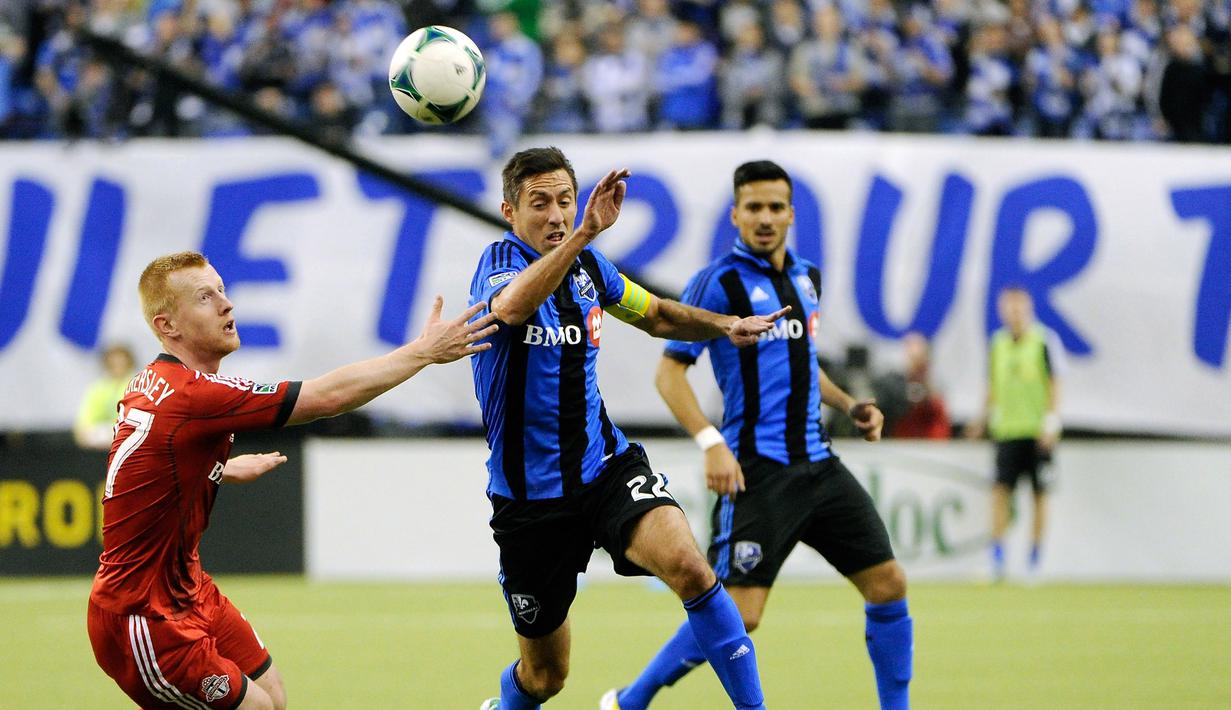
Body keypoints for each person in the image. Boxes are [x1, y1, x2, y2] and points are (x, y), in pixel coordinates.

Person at [87, 251, 497, 710]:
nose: (227, 305)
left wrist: (215, 468)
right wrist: (423, 351)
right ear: (168, 326)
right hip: (142, 614)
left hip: (188, 589)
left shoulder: (153, 383)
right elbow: (327, 396)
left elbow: (138, 457)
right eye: (205, 297)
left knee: (273, 696)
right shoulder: (194, 395)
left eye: (222, 290)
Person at [470, 147, 786, 710]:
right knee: (545, 677)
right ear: (509, 211)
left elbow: (658, 314)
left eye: (565, 201)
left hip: (604, 469)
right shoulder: (498, 264)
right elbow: (514, 308)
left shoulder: (590, 269)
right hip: (530, 499)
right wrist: (583, 234)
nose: (555, 215)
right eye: (539, 203)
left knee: (692, 567)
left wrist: (725, 324)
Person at [603, 160, 913, 710]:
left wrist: (848, 404)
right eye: (754, 207)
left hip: (819, 463)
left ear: (791, 214)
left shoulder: (806, 277)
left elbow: (801, 361)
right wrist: (711, 442)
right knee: (741, 614)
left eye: (775, 207)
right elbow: (669, 373)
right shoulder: (718, 283)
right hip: (757, 469)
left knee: (888, 584)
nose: (765, 218)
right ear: (736, 215)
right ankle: (631, 700)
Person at [965, 287, 1065, 582]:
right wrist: (981, 419)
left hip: (1037, 433)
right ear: (1002, 310)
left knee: (1039, 496)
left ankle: (1034, 562)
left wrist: (1051, 422)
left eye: (1019, 308)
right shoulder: (997, 344)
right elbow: (993, 386)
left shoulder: (1044, 341)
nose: (1015, 313)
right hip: (1007, 430)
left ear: (1029, 309)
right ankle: (997, 559)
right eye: (1009, 308)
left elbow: (1056, 383)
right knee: (999, 494)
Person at [73, 344, 137, 450]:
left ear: (129, 362)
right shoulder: (98, 389)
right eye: (113, 362)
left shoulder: (139, 386)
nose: (117, 365)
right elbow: (82, 428)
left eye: (121, 362)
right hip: (99, 452)